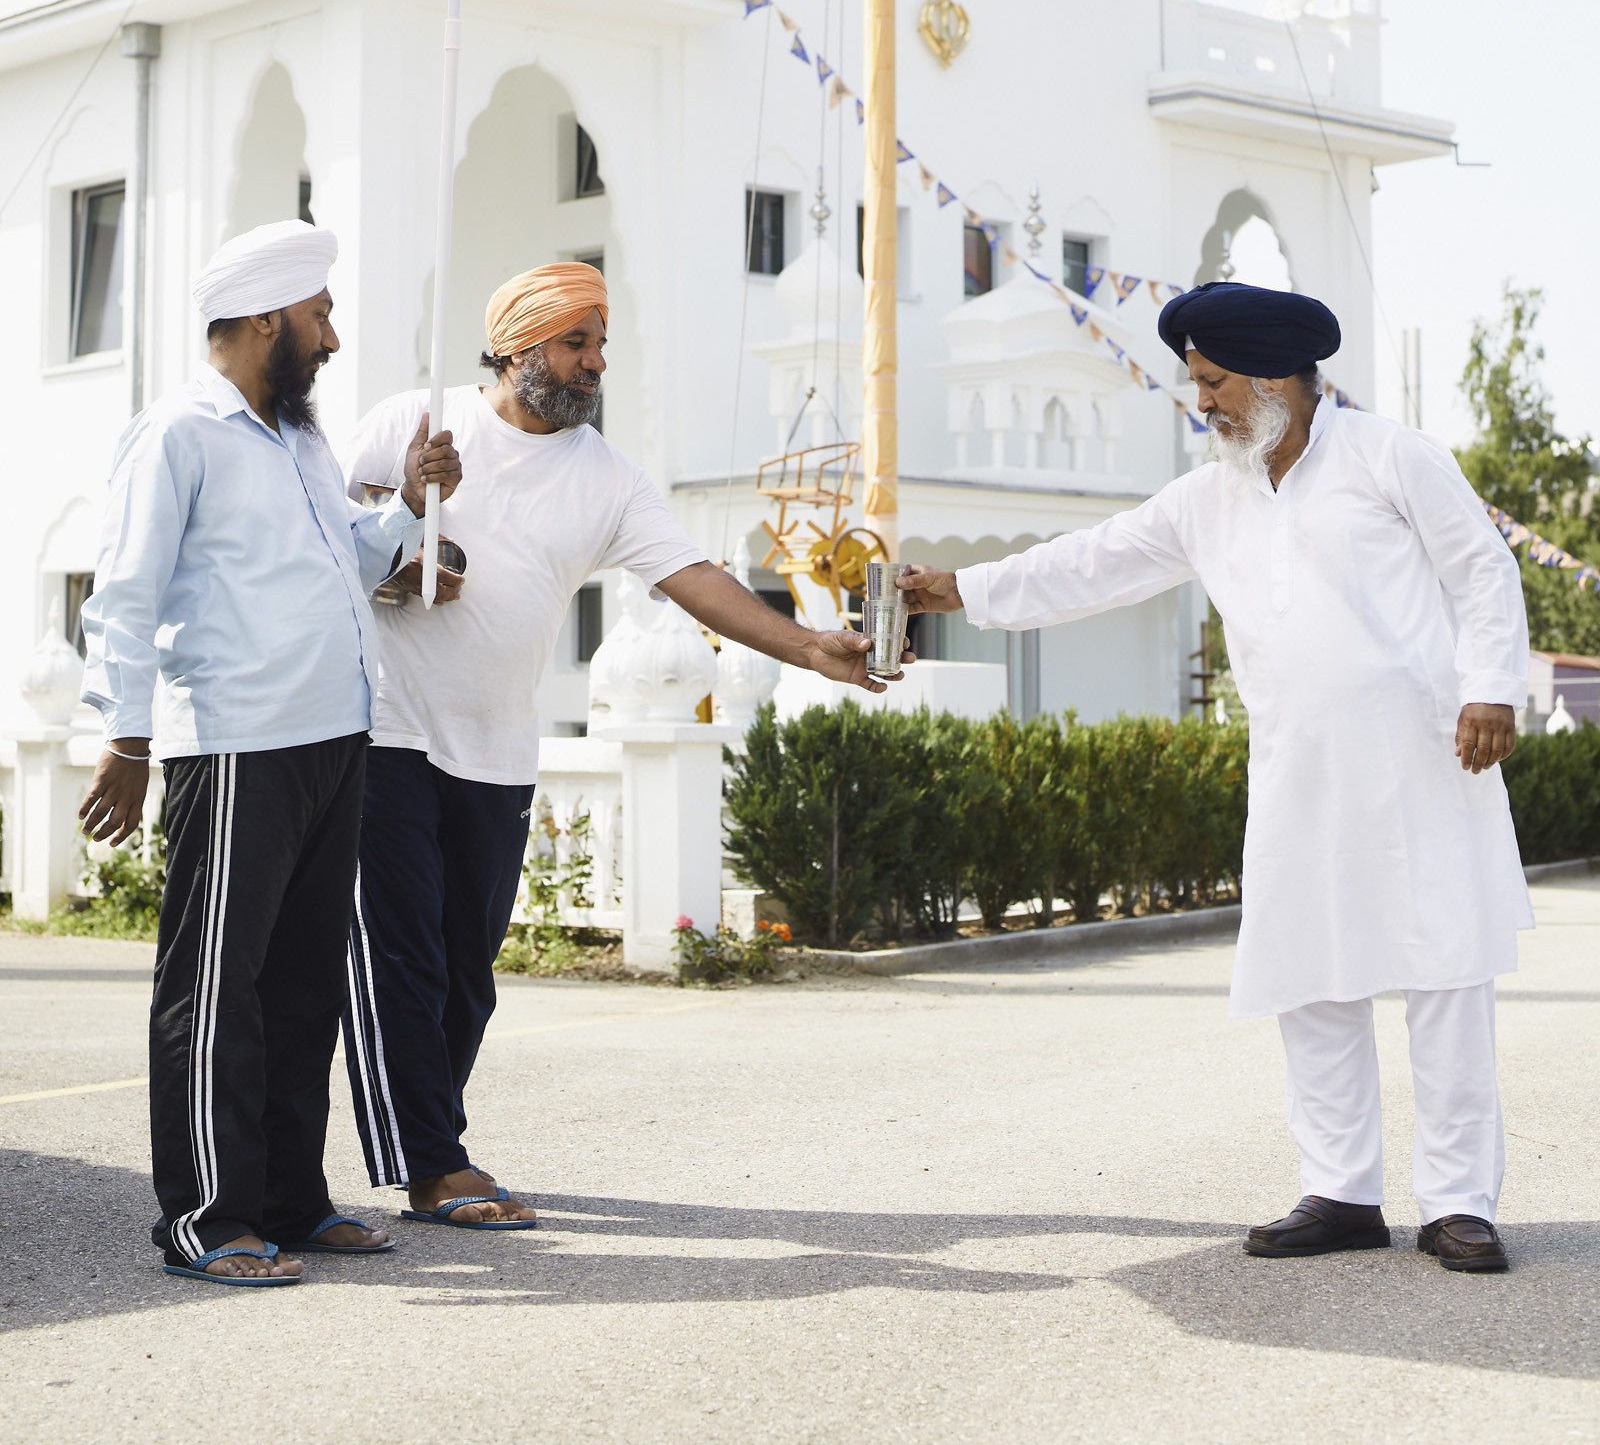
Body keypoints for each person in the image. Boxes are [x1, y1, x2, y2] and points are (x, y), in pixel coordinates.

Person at [897, 280, 1529, 1276]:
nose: (1202, 401)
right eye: (1196, 381)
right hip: (1296, 772)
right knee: (1308, 975)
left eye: (1213, 380)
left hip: (1422, 757)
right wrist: (958, 587)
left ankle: (1458, 1204)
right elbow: (1090, 562)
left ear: (1278, 374)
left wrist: (1488, 686)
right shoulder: (1208, 496)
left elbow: (1483, 571)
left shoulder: (1390, 456)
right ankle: (1340, 1188)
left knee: (1443, 972)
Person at [337, 261, 897, 1229]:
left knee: (467, 972)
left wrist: (810, 646)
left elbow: (695, 575)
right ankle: (430, 1159)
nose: (595, 363)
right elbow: (330, 540)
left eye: (600, 345)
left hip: (497, 747)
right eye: (576, 342)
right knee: (404, 958)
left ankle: (433, 1142)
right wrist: (405, 542)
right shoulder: (414, 423)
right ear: (517, 347)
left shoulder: (606, 476)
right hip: (387, 728)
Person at [77, 219, 462, 1289]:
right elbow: (125, 590)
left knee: (302, 986)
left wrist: (407, 508)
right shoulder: (176, 434)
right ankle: (208, 1212)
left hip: (335, 735)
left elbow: (347, 557)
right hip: (238, 742)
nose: (331, 337)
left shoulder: (300, 440)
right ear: (263, 321)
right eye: (319, 315)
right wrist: (124, 731)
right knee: (216, 985)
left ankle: (293, 1199)